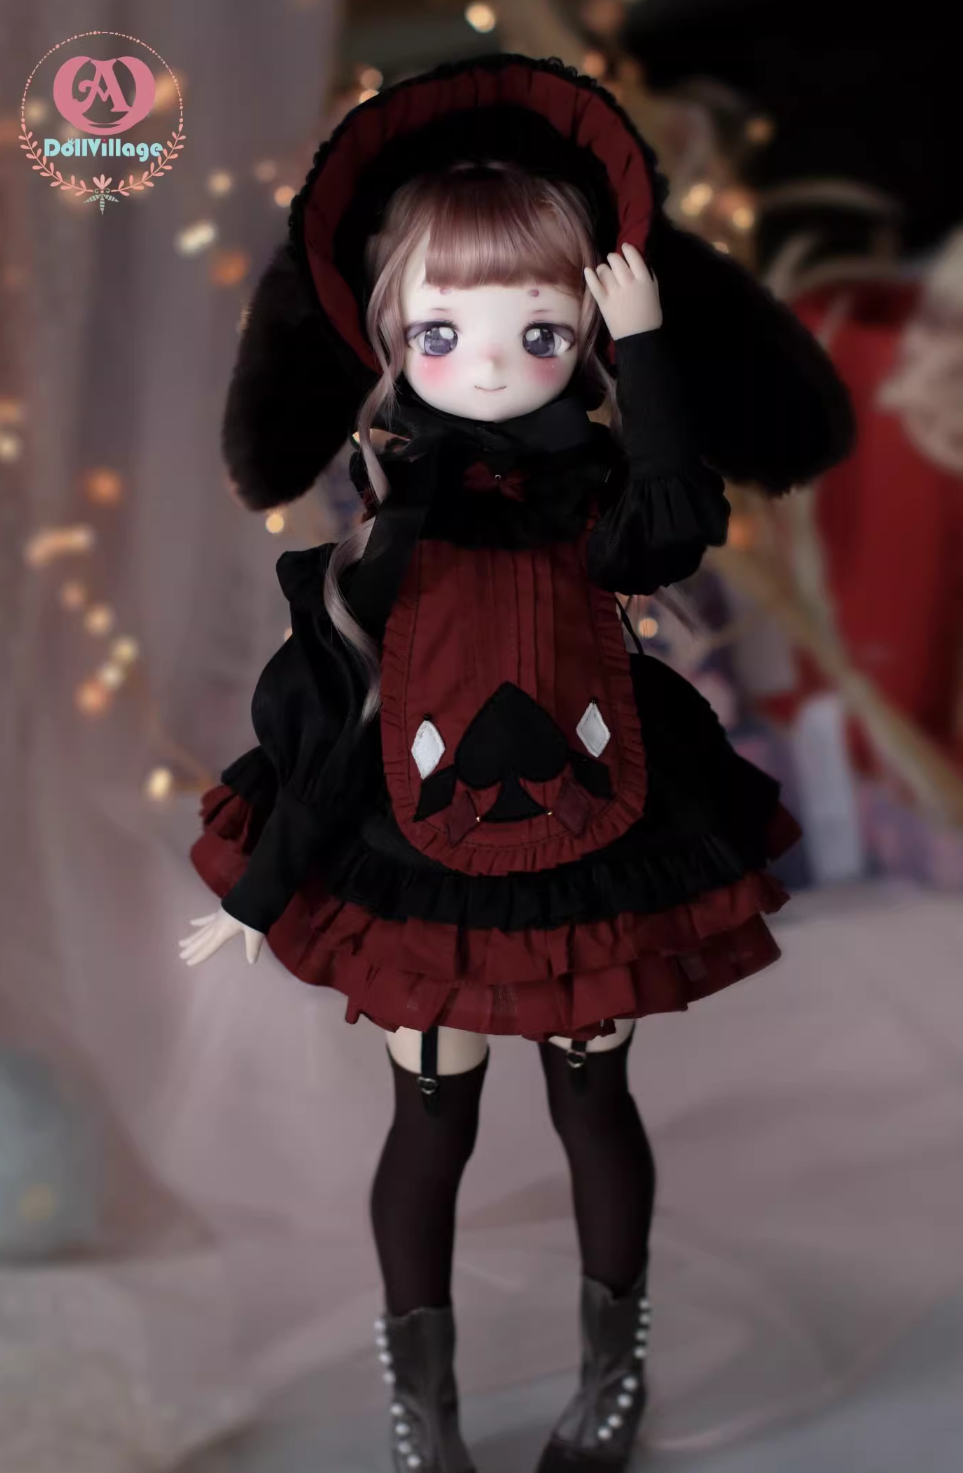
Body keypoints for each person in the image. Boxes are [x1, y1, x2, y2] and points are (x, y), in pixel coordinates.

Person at [178, 54, 853, 1473]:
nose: (488, 362)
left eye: (540, 331)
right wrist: (259, 893)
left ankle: (613, 1373)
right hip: (416, 848)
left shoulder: (594, 498)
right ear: (387, 332)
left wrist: (647, 350)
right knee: (433, 1115)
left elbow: (671, 528)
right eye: (442, 330)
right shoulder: (387, 528)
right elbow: (341, 712)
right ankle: (420, 1404)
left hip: (596, 824)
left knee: (593, 1098)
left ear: (587, 334)